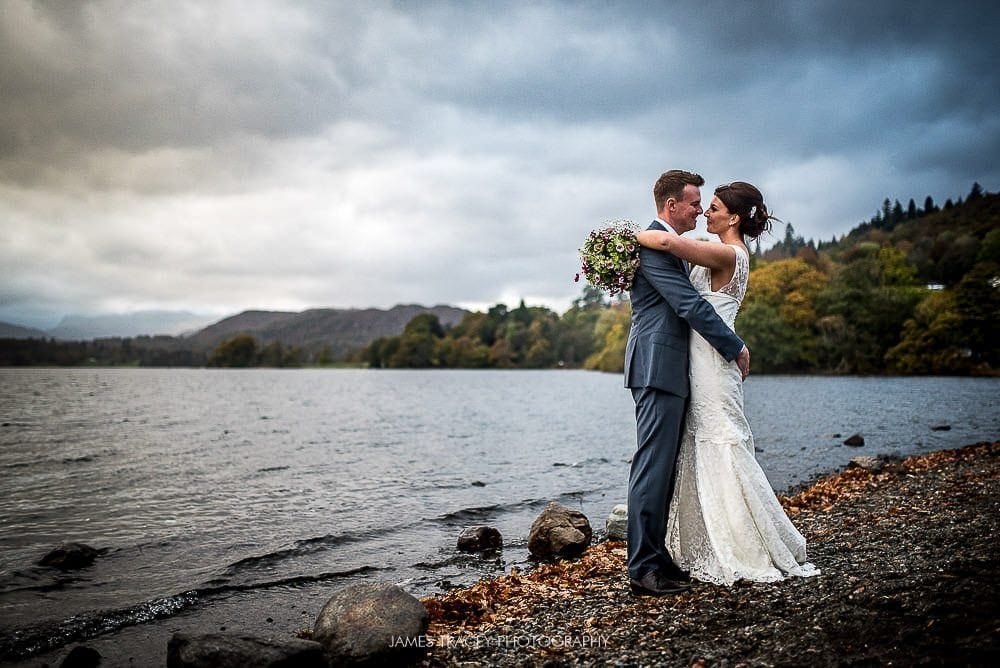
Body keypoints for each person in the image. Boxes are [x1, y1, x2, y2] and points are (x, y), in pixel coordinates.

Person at [636, 181, 819, 585]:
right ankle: (703, 540)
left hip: (713, 364)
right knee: (703, 444)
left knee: (721, 441)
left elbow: (667, 248)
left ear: (733, 218)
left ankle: (739, 543)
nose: (705, 213)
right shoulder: (718, 249)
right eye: (702, 205)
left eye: (713, 207)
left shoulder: (727, 252)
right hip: (697, 362)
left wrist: (628, 236)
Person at [624, 170, 750, 597]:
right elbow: (688, 303)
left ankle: (657, 560)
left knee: (664, 467)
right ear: (671, 205)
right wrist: (735, 346)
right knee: (652, 466)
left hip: (673, 367)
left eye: (705, 204)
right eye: (695, 203)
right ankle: (643, 568)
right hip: (658, 366)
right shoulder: (656, 248)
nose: (699, 210)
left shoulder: (672, 247)